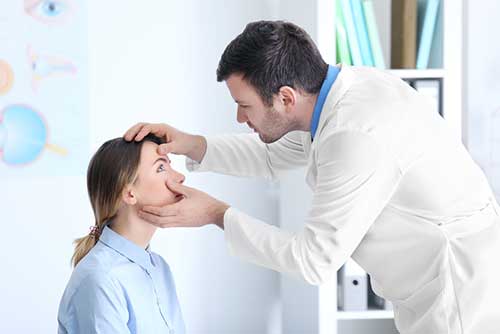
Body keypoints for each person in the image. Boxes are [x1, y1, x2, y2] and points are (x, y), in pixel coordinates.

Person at [124, 21, 500, 334]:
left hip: (458, 296)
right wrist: (190, 144)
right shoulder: (339, 94)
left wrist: (216, 214)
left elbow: (312, 260)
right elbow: (274, 155)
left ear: (285, 98)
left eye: (244, 106)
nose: (240, 118)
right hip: (436, 281)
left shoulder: (356, 134)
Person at [58, 134, 186, 334]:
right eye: (161, 167)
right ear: (129, 193)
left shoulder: (159, 267)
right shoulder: (101, 279)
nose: (179, 177)